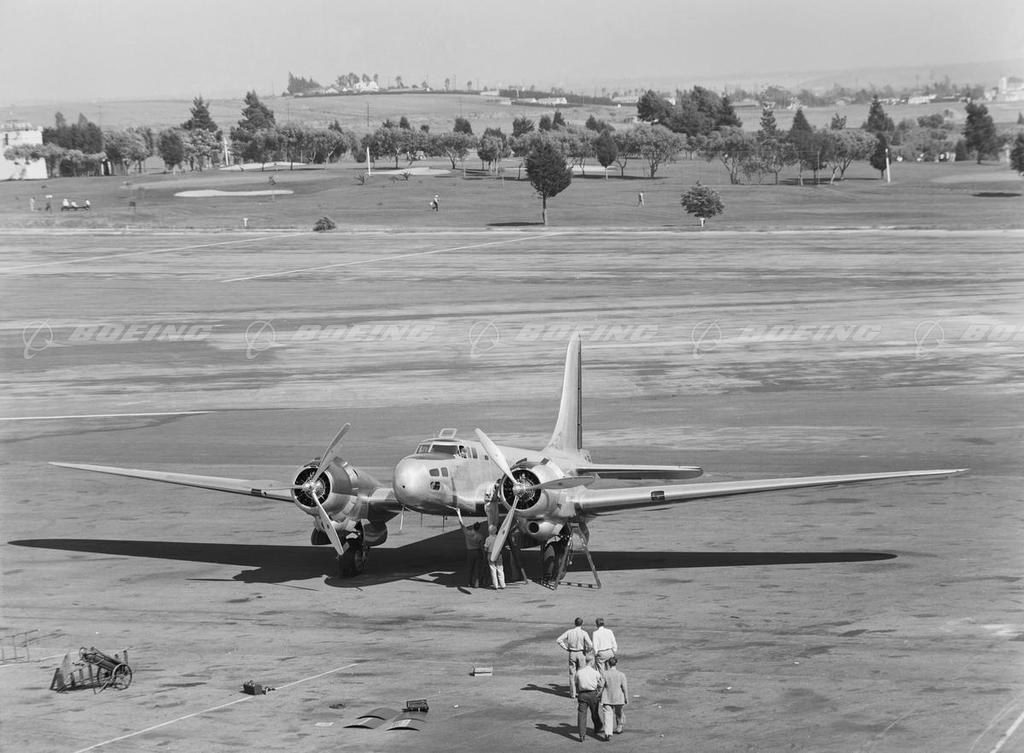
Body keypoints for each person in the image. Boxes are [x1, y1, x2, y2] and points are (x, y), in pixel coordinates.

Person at [556, 617, 594, 698]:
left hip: (572, 653)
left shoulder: (569, 632)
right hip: (581, 653)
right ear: (582, 624)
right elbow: (590, 645)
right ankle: (581, 691)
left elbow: (559, 640)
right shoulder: (584, 633)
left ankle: (573, 693)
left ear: (575, 623)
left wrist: (566, 648)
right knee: (582, 673)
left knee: (572, 674)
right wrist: (587, 650)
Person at [574, 653, 605, 742]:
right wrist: (600, 691)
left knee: (581, 715)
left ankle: (581, 735)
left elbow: (576, 683)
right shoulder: (595, 672)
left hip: (582, 694)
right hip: (593, 694)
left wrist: (578, 692)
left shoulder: (579, 672)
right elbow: (600, 683)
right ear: (592, 662)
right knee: (594, 712)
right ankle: (598, 727)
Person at [600, 656, 628, 738]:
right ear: (616, 663)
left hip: (607, 697)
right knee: (619, 713)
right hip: (618, 697)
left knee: (607, 715)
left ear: (608, 664)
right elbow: (624, 687)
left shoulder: (605, 673)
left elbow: (601, 686)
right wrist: (626, 697)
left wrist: (599, 694)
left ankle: (608, 733)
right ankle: (619, 727)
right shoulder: (621, 674)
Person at [462, 521, 485, 587]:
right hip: (477, 551)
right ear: (479, 528)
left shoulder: (467, 533)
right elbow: (481, 546)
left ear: (473, 526)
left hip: (470, 552)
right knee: (477, 568)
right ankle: (476, 583)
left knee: (470, 568)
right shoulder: (480, 536)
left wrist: (460, 518)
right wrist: (483, 554)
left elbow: (463, 526)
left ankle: (469, 582)